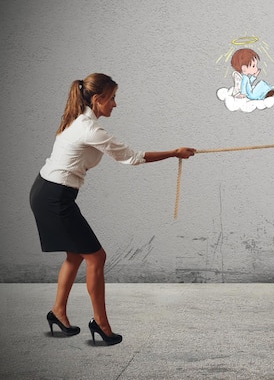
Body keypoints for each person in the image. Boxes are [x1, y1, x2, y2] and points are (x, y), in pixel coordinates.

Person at [30, 73, 196, 346]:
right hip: (54, 197)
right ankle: (102, 325)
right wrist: (174, 152)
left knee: (76, 254)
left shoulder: (79, 119)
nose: (115, 105)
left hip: (49, 192)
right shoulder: (89, 129)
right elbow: (133, 157)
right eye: (112, 98)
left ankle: (58, 312)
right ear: (98, 99)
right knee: (96, 257)